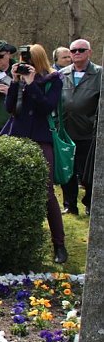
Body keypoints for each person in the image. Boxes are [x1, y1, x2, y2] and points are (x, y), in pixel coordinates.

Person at [0, 44, 67, 264]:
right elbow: (9, 108)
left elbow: (47, 107)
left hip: (41, 138)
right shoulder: (18, 80)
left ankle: (59, 244)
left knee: (46, 191)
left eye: (28, 60)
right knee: (13, 189)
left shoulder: (53, 79)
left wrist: (32, 84)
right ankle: (16, 243)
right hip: (17, 137)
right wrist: (14, 82)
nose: (24, 63)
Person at [59, 38, 102, 216]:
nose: (77, 53)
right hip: (66, 132)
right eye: (74, 50)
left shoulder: (99, 74)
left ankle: (90, 203)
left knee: (89, 173)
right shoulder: (61, 74)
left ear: (89, 52)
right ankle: (70, 205)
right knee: (67, 171)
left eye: (81, 50)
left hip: (89, 134)